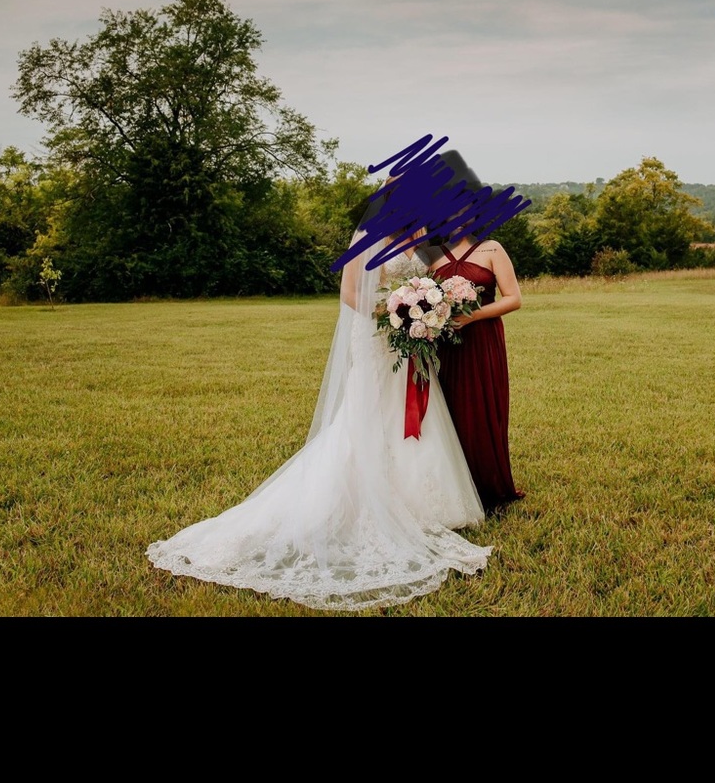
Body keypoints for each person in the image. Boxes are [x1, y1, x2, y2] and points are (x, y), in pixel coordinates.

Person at [146, 179, 491, 612]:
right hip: (378, 337)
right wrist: (395, 314)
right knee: (367, 415)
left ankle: (426, 503)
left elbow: (428, 280)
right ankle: (362, 499)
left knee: (412, 413)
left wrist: (430, 307)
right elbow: (349, 292)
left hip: (409, 342)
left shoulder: (419, 236)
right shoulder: (369, 236)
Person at [425, 151, 526, 512]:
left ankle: (492, 489)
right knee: (450, 412)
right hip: (447, 343)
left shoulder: (492, 249)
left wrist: (473, 316)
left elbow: (514, 299)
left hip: (482, 340)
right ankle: (455, 488)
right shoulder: (432, 254)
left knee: (484, 409)